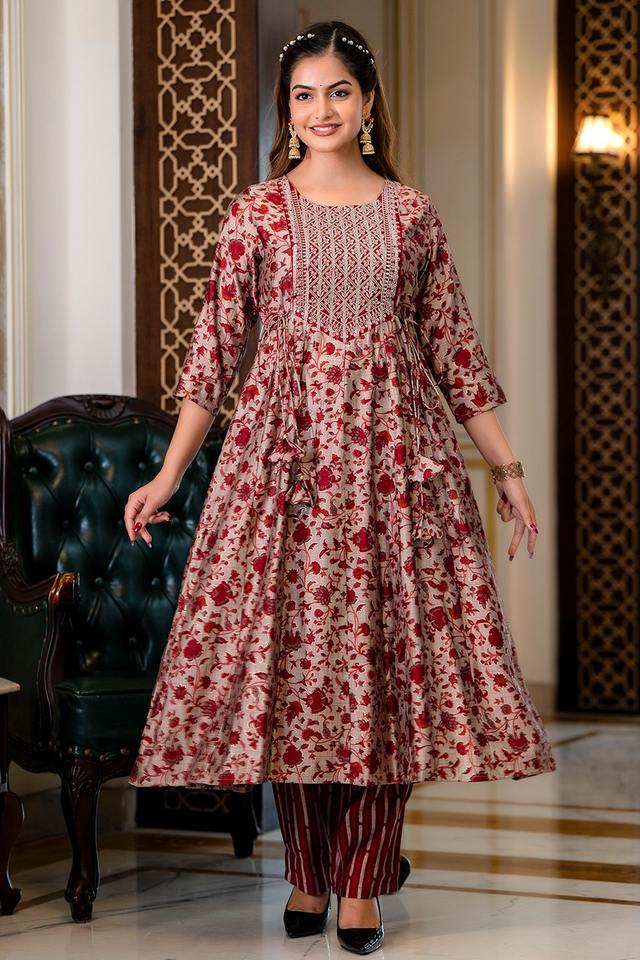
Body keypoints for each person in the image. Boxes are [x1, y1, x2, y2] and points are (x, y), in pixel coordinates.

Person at [125, 19, 557, 954]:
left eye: (339, 92)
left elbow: (455, 353)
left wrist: (510, 470)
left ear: (368, 103)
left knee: (387, 673)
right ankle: (308, 872)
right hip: (282, 474)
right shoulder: (255, 214)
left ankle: (363, 882)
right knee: (296, 672)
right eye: (303, 95)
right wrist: (168, 475)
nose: (321, 110)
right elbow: (212, 356)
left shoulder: (412, 215)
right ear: (287, 111)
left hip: (396, 470)